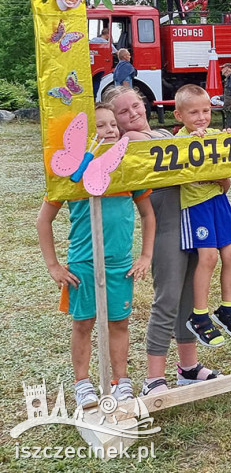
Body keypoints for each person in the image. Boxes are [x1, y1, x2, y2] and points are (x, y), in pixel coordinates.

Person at [35, 104, 155, 407]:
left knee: (120, 323)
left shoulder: (126, 171)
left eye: (114, 124)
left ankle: (121, 381)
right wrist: (53, 265)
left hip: (119, 265)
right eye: (101, 126)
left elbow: (148, 216)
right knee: (83, 323)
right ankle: (83, 384)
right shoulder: (70, 178)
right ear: (87, 134)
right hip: (83, 264)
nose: (111, 130)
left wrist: (145, 256)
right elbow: (43, 220)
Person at [104, 86, 221, 394]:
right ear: (115, 120)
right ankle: (154, 377)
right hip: (165, 226)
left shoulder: (165, 135)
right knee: (167, 299)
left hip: (192, 222)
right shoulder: (129, 141)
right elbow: (180, 159)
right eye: (123, 112)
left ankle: (188, 366)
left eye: (136, 106)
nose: (133, 113)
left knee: (189, 299)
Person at [172, 85, 231, 348]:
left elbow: (227, 176)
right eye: (194, 112)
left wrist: (229, 138)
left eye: (206, 111)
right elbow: (181, 160)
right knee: (209, 256)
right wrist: (195, 140)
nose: (202, 117)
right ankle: (200, 315)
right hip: (195, 206)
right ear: (179, 116)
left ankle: (227, 308)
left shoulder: (214, 134)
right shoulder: (178, 139)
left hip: (219, 200)